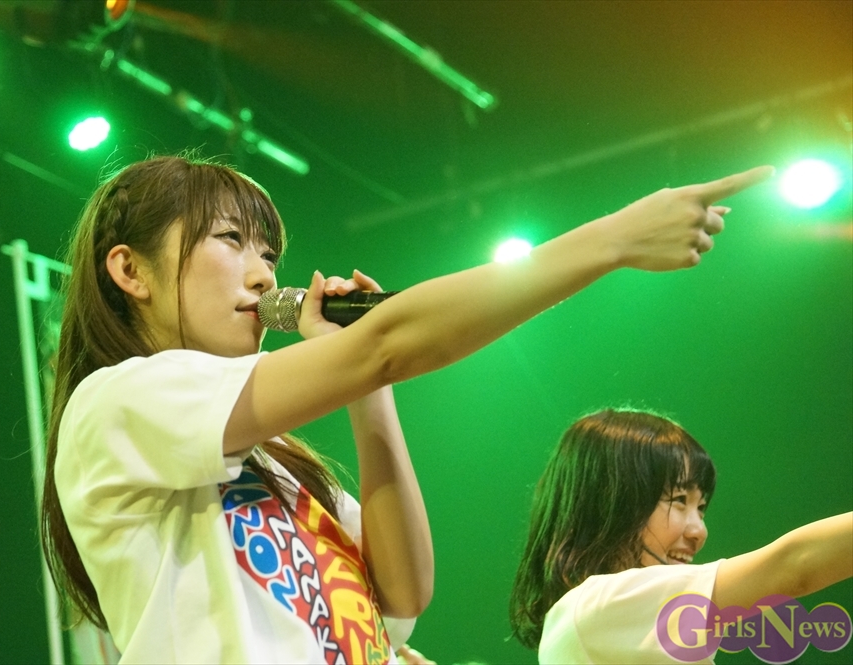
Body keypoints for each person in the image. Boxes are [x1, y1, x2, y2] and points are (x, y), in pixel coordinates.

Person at [40, 153, 770, 664]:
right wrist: (611, 240)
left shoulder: (279, 462)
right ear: (129, 269)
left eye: (270, 253)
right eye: (232, 240)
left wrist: (366, 383)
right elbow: (390, 344)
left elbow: (404, 590)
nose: (263, 274)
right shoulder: (117, 402)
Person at [509, 408, 853, 664]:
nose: (699, 531)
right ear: (608, 501)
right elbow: (794, 566)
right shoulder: (599, 605)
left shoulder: (601, 619)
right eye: (678, 500)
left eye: (700, 508)